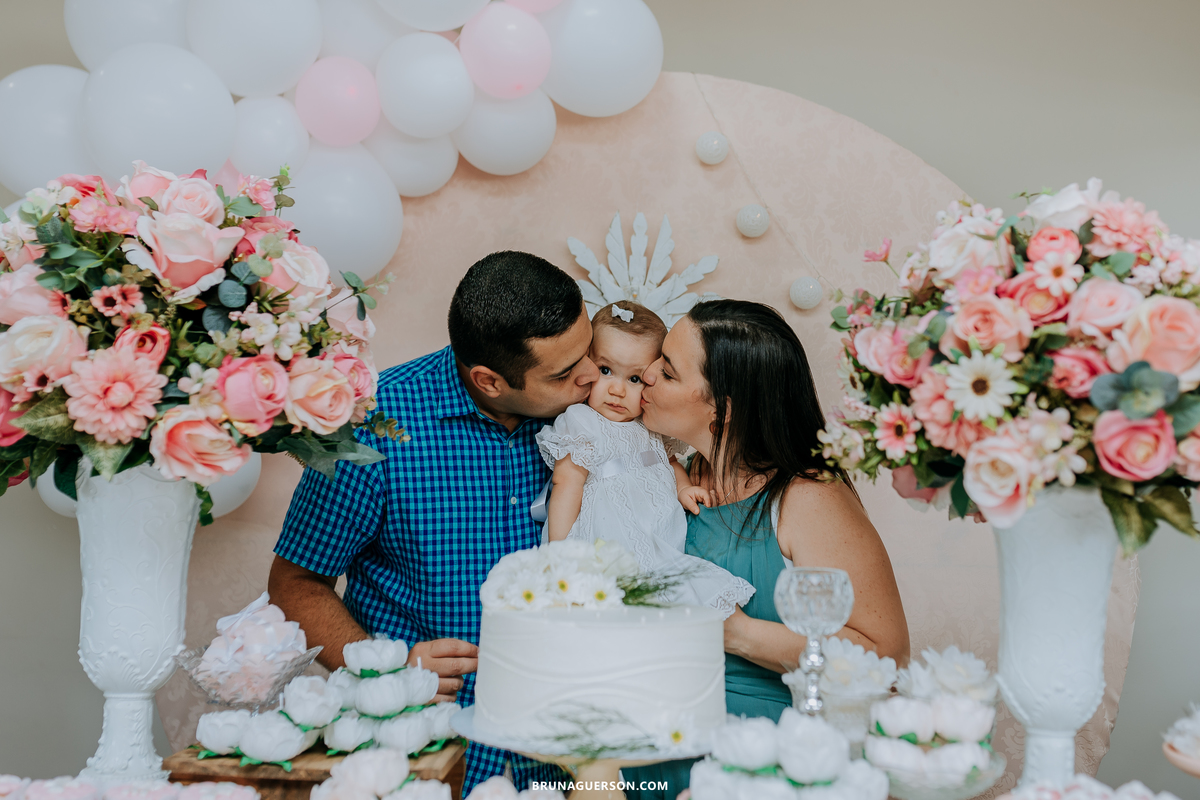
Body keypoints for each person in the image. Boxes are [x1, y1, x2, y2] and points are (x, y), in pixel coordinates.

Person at [267, 251, 598, 793]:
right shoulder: (376, 424)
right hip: (429, 758)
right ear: (489, 380)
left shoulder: (600, 414)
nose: (591, 375)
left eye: (587, 351)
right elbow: (296, 584)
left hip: (568, 762)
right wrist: (383, 671)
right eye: (564, 372)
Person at [625, 299, 910, 799]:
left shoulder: (808, 496)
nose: (644, 374)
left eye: (667, 372)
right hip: (646, 754)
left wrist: (739, 633)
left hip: (759, 767)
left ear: (723, 409)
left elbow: (885, 659)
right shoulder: (668, 476)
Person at [536, 300, 754, 616]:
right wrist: (560, 549)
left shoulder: (650, 424)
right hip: (607, 533)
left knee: (670, 584)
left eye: (634, 379)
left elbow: (667, 462)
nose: (617, 390)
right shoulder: (582, 421)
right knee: (610, 597)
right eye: (606, 370)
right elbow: (566, 483)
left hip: (657, 529)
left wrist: (681, 488)